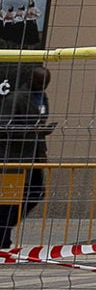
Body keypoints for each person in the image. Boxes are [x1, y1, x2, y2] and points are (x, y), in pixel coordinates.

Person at [0, 65, 52, 249]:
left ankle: (5, 228)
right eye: (39, 81)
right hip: (15, 156)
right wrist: (32, 131)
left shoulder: (42, 98)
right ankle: (3, 236)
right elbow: (4, 127)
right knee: (10, 199)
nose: (43, 85)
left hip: (35, 155)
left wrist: (41, 134)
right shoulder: (16, 98)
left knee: (36, 193)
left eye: (46, 82)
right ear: (30, 78)